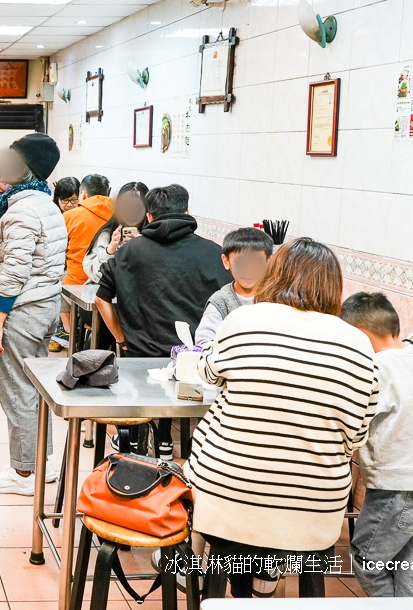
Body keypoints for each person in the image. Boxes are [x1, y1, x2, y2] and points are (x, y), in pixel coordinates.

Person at [187, 238, 378, 598]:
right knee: (284, 532)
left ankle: (223, 587)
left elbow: (206, 372)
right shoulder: (359, 343)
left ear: (273, 274)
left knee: (223, 491)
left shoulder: (243, 320)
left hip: (229, 498)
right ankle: (267, 579)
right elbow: (357, 435)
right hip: (314, 509)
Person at [94, 184, 230, 458]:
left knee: (140, 400)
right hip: (194, 358)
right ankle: (167, 441)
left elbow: (100, 299)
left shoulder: (130, 251)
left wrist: (122, 338)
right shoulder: (214, 253)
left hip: (141, 351)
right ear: (188, 211)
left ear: (151, 216)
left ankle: (136, 449)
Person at [0, 133, 68, 496]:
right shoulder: (44, 203)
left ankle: (24, 474)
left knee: (17, 392)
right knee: (33, 389)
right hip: (45, 305)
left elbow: (15, 270)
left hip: (24, 310)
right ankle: (36, 465)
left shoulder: (22, 211)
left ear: (25, 168)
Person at [341, 292, 413, 597]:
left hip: (400, 489)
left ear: (359, 335)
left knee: (366, 560)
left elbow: (356, 421)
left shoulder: (376, 369)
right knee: (405, 563)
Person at [52, 174, 114, 350]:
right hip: (112, 288)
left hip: (79, 288)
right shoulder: (120, 214)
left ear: (84, 195)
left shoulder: (71, 216)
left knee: (59, 279)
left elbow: (57, 251)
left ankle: (68, 331)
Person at [194, 227, 274, 346]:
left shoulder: (276, 298)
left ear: (268, 262)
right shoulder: (220, 301)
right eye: (240, 262)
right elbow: (204, 341)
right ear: (226, 261)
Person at [81, 181, 148, 286]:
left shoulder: (152, 237)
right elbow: (94, 272)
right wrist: (110, 250)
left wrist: (144, 247)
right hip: (104, 295)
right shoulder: (107, 235)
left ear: (146, 210)